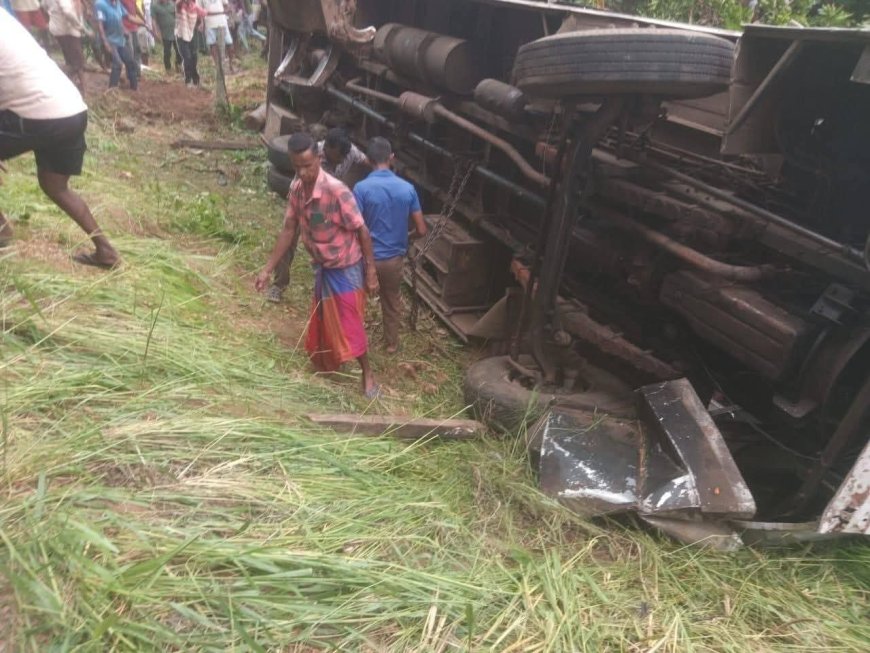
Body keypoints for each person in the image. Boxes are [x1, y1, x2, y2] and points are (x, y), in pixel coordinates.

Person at [254, 132, 380, 397]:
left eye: (308, 166)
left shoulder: (337, 191)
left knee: (349, 322)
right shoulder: (297, 190)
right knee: (323, 318)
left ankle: (367, 375)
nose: (303, 172)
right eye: (297, 166)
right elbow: (289, 229)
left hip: (346, 266)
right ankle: (328, 361)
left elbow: (363, 231)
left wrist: (370, 272)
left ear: (319, 159)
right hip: (321, 266)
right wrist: (267, 269)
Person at [0, 9, 120, 268]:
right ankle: (106, 251)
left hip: (39, 114)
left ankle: (1, 232)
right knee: (55, 186)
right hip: (71, 109)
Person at [266, 128, 370, 303]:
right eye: (337, 157)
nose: (340, 161)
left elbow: (367, 160)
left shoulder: (349, 152)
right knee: (289, 236)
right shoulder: (311, 155)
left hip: (325, 209)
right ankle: (278, 284)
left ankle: (327, 277)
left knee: (328, 234)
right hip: (303, 202)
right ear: (325, 151)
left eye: (343, 158)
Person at [353, 137, 427, 354]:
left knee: (358, 298)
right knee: (391, 301)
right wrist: (405, 237)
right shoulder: (408, 189)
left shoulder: (361, 188)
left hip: (366, 258)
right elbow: (422, 230)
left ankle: (356, 341)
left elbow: (356, 225)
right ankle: (392, 344)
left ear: (367, 160)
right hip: (394, 259)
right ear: (392, 158)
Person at [95, 0, 139, 90]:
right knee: (118, 63)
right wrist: (105, 42)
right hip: (110, 40)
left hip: (120, 40)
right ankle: (112, 89)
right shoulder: (100, 4)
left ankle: (134, 87)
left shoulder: (118, 3)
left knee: (130, 61)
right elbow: (100, 25)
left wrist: (143, 23)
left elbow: (127, 17)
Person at [46, 0, 87, 93]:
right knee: (78, 61)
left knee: (69, 58)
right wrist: (79, 25)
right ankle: (84, 90)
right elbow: (68, 12)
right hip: (67, 30)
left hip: (58, 28)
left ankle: (72, 84)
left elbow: (45, 6)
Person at [175, 0, 204, 86]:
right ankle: (188, 80)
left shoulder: (195, 6)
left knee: (194, 56)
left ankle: (195, 79)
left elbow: (200, 17)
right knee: (187, 57)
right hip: (182, 35)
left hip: (192, 33)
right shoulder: (180, 6)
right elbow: (177, 4)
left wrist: (201, 23)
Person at [200, 0, 235, 72]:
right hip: (209, 22)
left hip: (222, 21)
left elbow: (226, 5)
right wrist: (201, 22)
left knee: (229, 44)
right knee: (212, 44)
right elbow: (200, 10)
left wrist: (229, 15)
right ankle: (218, 67)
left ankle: (230, 65)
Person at [150, 0, 181, 72]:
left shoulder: (172, 4)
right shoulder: (154, 6)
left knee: (179, 51)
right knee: (167, 52)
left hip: (176, 32)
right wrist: (156, 32)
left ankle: (178, 64)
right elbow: (154, 20)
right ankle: (168, 68)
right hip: (165, 33)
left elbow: (177, 16)